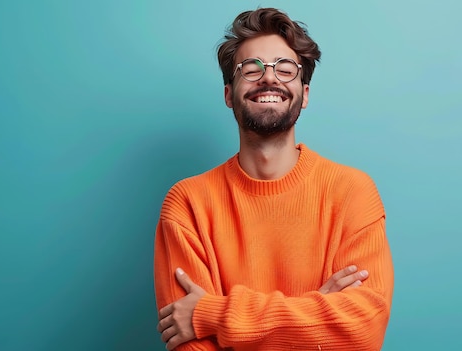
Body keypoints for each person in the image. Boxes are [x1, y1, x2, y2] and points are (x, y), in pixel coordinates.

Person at [154, 7, 394, 351]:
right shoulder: (187, 204)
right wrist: (315, 316)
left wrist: (213, 314)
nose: (269, 79)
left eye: (285, 69)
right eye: (250, 69)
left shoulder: (353, 193)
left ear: (305, 94)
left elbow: (363, 331)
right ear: (228, 94)